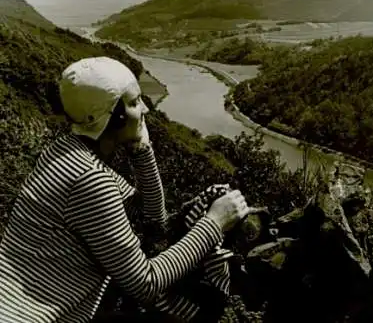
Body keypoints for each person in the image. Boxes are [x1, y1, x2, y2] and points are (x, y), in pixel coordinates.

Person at [0, 56, 249, 323]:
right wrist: (214, 223)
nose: (145, 110)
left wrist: (142, 151)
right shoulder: (90, 179)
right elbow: (146, 283)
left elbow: (153, 217)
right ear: (114, 116)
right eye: (133, 103)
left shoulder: (65, 152)